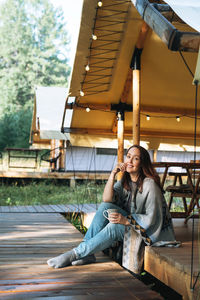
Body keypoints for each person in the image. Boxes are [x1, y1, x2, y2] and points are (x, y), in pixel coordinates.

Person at [47, 144, 177, 269]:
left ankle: (75, 254)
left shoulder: (150, 185)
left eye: (136, 158)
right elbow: (107, 199)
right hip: (134, 222)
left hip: (152, 232)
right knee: (105, 206)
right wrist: (113, 174)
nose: (130, 160)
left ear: (142, 163)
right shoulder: (126, 180)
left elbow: (152, 217)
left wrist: (126, 220)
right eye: (128, 156)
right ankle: (87, 253)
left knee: (114, 226)